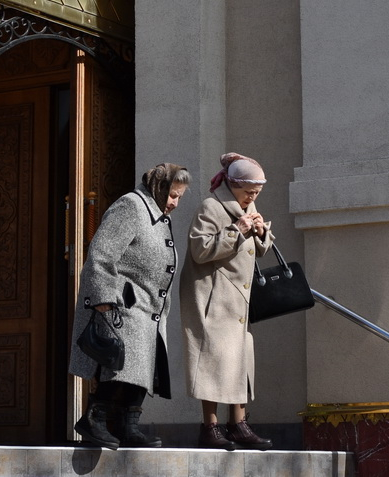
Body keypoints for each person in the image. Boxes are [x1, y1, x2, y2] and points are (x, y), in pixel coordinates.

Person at [69, 163, 190, 450]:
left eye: (179, 198)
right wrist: (102, 300)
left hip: (150, 307)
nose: (174, 203)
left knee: (144, 368)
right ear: (158, 187)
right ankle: (94, 419)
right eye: (172, 195)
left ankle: (128, 424)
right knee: (122, 363)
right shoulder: (131, 207)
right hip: (123, 305)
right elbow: (100, 254)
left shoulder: (159, 217)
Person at [179, 153, 276, 451]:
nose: (253, 197)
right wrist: (238, 229)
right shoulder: (211, 207)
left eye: (257, 192)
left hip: (237, 299)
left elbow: (257, 250)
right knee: (212, 359)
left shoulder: (248, 207)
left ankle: (238, 424)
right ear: (233, 185)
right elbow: (200, 250)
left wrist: (261, 233)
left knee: (239, 361)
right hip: (212, 296)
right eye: (249, 191)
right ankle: (210, 427)